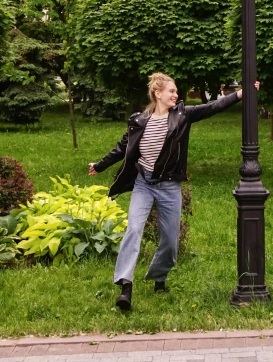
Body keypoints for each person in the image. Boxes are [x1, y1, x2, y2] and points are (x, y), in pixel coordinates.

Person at [88, 73, 258, 311]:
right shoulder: (139, 120)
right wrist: (100, 165)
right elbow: (123, 147)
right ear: (157, 94)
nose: (176, 95)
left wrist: (241, 93)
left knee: (169, 241)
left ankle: (159, 278)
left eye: (176, 92)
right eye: (171, 91)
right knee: (133, 231)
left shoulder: (182, 116)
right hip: (143, 184)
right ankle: (126, 286)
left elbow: (212, 107)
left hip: (169, 186)